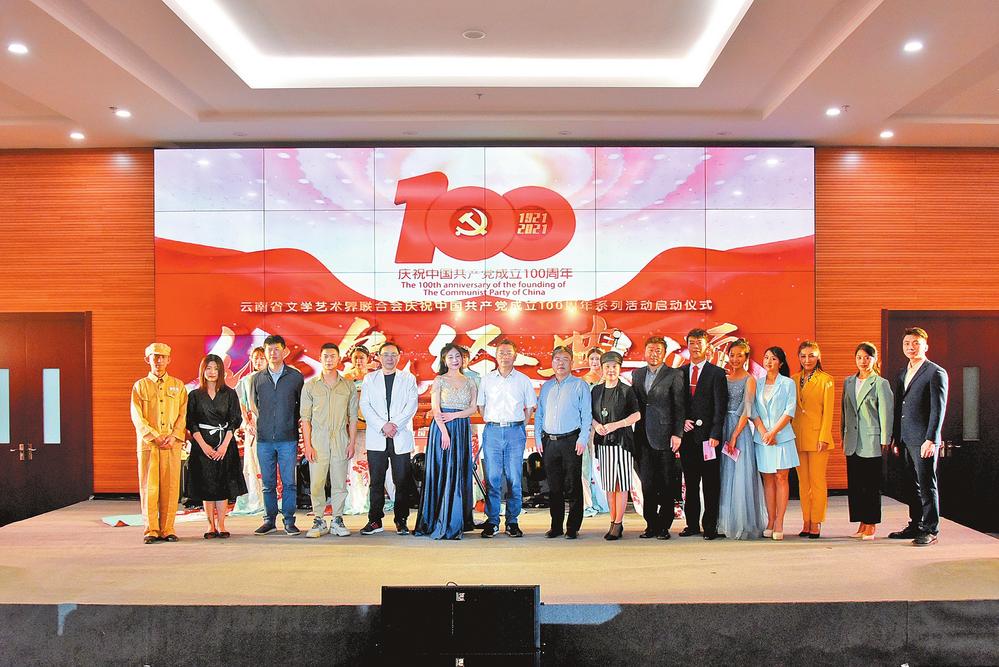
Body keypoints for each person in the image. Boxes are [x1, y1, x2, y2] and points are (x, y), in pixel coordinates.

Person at [889, 327, 948, 547]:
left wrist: (931, 439)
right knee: (910, 485)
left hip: (924, 440)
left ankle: (931, 529)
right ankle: (916, 524)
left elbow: (938, 409)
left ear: (926, 346)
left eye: (916, 343)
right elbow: (899, 407)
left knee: (926, 485)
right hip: (905, 438)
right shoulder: (902, 373)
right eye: (907, 343)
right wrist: (896, 438)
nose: (911, 347)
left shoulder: (935, 372)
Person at [415, 343, 478, 539]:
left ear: (463, 359)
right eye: (450, 357)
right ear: (444, 360)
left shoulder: (470, 381)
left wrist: (455, 416)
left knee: (458, 471)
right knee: (443, 471)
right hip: (442, 429)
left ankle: (456, 519)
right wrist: (444, 432)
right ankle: (438, 519)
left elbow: (473, 408)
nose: (454, 360)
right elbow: (436, 409)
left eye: (457, 356)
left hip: (461, 428)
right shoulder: (439, 380)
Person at [477, 339, 537, 538]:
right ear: (495, 356)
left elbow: (530, 406)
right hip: (492, 431)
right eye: (501, 352)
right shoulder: (487, 380)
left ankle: (512, 521)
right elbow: (481, 406)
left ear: (515, 356)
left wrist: (520, 424)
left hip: (515, 431)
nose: (504, 356)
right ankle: (492, 521)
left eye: (508, 352)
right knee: (493, 478)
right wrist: (493, 421)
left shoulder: (523, 380)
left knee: (514, 479)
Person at [130, 342, 189, 544]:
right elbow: (137, 416)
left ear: (169, 360)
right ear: (147, 359)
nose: (159, 360)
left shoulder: (178, 386)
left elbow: (183, 414)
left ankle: (168, 529)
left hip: (172, 444)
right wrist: (154, 436)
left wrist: (174, 435)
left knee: (171, 487)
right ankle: (151, 530)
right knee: (149, 487)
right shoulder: (140, 386)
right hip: (149, 445)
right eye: (154, 357)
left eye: (162, 357)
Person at [359, 341, 419, 535]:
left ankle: (401, 520)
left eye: (393, 354)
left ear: (399, 357)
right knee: (376, 481)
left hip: (399, 435)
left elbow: (412, 405)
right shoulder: (370, 379)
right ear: (379, 357)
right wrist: (382, 426)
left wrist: (394, 425)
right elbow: (365, 405)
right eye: (386, 354)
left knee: (401, 480)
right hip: (377, 436)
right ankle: (375, 520)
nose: (390, 358)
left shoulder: (408, 378)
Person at [301, 343, 359, 538]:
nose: (329, 359)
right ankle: (318, 519)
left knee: (339, 482)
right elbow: (305, 419)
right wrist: (308, 445)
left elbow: (352, 417)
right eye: (325, 356)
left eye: (333, 356)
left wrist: (351, 442)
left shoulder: (348, 385)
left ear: (339, 359)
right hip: (318, 439)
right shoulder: (310, 386)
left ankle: (337, 519)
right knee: (317, 482)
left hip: (341, 438)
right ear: (320, 358)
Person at [631, 336, 685, 540]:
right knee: (648, 485)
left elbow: (679, 406)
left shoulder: (674, 374)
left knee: (666, 484)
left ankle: (664, 526)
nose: (654, 354)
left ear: (664, 354)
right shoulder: (637, 374)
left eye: (658, 351)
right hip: (642, 437)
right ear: (645, 352)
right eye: (651, 350)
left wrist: (677, 434)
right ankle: (651, 525)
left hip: (665, 437)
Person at [186, 354, 246, 539]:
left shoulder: (229, 393)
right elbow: (191, 422)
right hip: (202, 444)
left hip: (224, 443)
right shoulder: (195, 395)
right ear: (203, 371)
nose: (212, 372)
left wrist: (224, 446)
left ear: (221, 371)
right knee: (207, 484)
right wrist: (203, 446)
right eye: (208, 368)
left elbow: (235, 420)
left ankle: (221, 524)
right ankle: (210, 525)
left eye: (216, 369)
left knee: (223, 484)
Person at [250, 334, 305, 536]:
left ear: (284, 351)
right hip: (264, 439)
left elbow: (301, 406)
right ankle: (269, 520)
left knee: (289, 483)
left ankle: (289, 520)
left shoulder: (295, 377)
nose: (273, 353)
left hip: (288, 438)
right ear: (265, 353)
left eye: (276, 349)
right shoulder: (257, 378)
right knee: (268, 484)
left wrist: (289, 421)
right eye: (269, 350)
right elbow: (254, 406)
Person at [535, 346, 591, 539]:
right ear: (552, 363)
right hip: (549, 442)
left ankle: (573, 527)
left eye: (565, 359)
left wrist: (582, 438)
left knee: (573, 485)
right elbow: (539, 414)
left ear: (572, 363)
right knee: (554, 487)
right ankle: (556, 526)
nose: (561, 363)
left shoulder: (580, 385)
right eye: (557, 359)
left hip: (571, 441)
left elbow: (587, 414)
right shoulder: (546, 387)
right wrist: (538, 438)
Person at [679, 328, 729, 540]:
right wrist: (681, 422)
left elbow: (720, 407)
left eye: (699, 343)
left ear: (707, 346)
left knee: (710, 484)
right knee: (690, 484)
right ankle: (691, 525)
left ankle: (710, 527)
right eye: (691, 343)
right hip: (687, 439)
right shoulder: (680, 372)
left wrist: (715, 434)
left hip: (709, 440)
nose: (695, 347)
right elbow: (677, 404)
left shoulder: (716, 373)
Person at [842, 342, 893, 540]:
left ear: (874, 359)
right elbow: (845, 410)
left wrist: (885, 438)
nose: (863, 361)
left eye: (867, 357)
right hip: (852, 439)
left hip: (871, 439)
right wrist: (843, 434)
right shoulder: (848, 381)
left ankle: (871, 523)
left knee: (871, 483)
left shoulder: (880, 383)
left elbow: (886, 412)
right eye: (859, 357)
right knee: (856, 484)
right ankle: (862, 522)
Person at [717, 339, 766, 540]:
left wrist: (734, 435)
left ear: (746, 358)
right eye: (732, 355)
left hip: (739, 430)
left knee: (739, 475)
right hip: (721, 428)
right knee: (723, 475)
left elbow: (747, 409)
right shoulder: (724, 378)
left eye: (740, 355)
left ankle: (741, 523)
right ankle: (723, 522)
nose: (735, 359)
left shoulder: (749, 379)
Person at [590, 351, 641, 540]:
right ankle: (612, 520)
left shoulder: (627, 390)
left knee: (621, 484)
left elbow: (637, 415)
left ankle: (618, 523)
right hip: (603, 443)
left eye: (614, 367)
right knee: (610, 485)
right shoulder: (596, 390)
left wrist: (616, 425)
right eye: (607, 367)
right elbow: (590, 414)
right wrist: (596, 425)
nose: (611, 370)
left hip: (622, 442)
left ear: (619, 368)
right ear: (602, 368)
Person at [752, 347, 799, 541]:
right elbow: (753, 410)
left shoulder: (788, 383)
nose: (769, 361)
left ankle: (780, 521)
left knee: (781, 477)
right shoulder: (757, 383)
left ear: (781, 363)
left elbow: (790, 410)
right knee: (768, 479)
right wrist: (764, 432)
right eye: (766, 358)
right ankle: (770, 520)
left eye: (773, 358)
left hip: (782, 437)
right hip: (762, 438)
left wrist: (773, 432)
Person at [791, 341, 836, 539]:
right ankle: (806, 520)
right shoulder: (793, 379)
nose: (807, 360)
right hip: (797, 437)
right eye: (803, 356)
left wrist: (824, 436)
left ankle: (816, 521)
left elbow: (828, 411)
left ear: (818, 357)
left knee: (817, 482)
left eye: (811, 355)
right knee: (803, 483)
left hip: (818, 438)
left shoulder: (826, 380)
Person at [233, 346, 266, 514]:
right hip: (253, 424)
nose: (258, 361)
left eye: (262, 358)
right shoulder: (246, 380)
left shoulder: (273, 378)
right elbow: (242, 404)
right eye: (256, 358)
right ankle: (255, 499)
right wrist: (247, 422)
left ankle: (273, 500)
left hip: (270, 425)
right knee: (253, 463)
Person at [579, 346, 605, 518]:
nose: (595, 362)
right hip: (588, 428)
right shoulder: (582, 381)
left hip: (606, 428)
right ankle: (587, 503)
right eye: (592, 359)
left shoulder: (609, 378)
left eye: (598, 359)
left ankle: (604, 501)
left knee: (603, 466)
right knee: (585, 467)